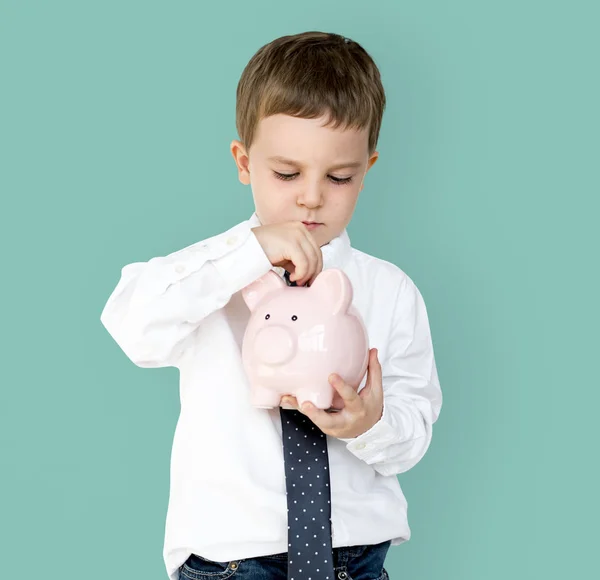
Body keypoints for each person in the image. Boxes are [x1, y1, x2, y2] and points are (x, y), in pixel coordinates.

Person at [100, 30, 443, 580]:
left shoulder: (389, 290)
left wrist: (368, 422)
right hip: (230, 559)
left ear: (368, 170)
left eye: (339, 177)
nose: (311, 196)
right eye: (287, 173)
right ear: (244, 161)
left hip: (356, 559)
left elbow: (412, 433)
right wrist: (246, 254)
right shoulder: (210, 277)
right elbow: (131, 324)